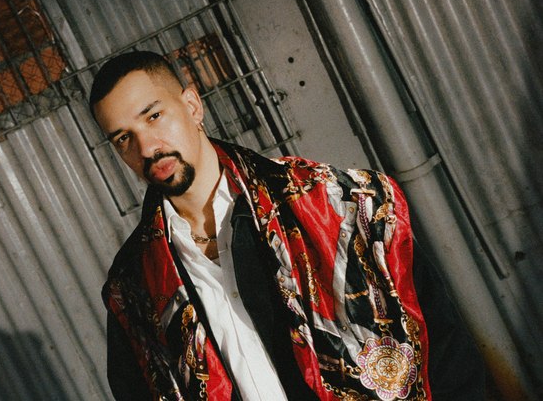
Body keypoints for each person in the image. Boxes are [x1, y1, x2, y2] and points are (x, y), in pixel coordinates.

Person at [90, 51, 485, 400]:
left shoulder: (338, 205)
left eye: (154, 116)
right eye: (124, 138)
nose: (146, 147)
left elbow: (444, 351)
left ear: (192, 106)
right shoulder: (134, 286)